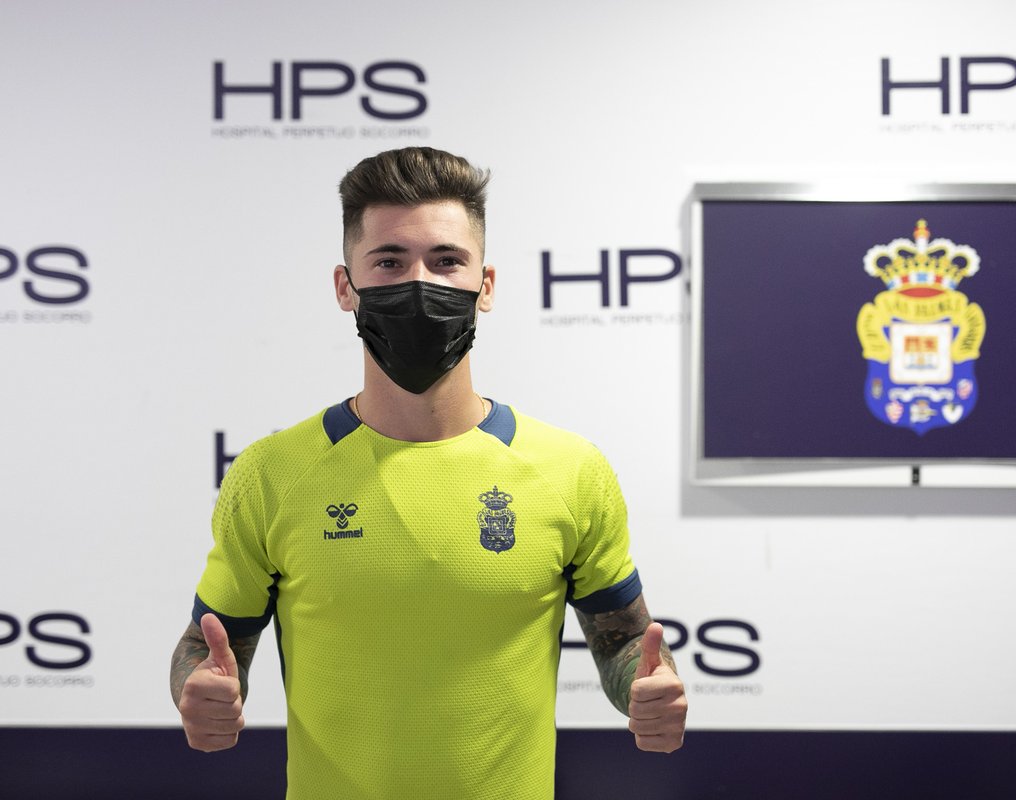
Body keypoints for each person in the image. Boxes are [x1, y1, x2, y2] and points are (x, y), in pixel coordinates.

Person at [169, 146, 687, 800]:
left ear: (486, 285)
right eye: (389, 261)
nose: (420, 283)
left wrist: (649, 685)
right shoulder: (271, 474)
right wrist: (198, 690)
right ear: (345, 287)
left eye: (446, 261)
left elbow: (624, 639)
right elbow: (208, 645)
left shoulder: (570, 470)